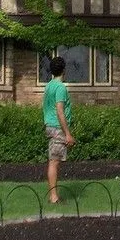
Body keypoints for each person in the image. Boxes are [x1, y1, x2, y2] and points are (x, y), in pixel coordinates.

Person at [43, 54, 75, 204]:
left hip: (50, 126)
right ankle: (54, 197)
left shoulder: (49, 85)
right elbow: (60, 110)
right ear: (64, 70)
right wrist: (67, 134)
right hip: (57, 127)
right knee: (54, 161)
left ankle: (53, 195)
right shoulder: (60, 88)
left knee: (53, 160)